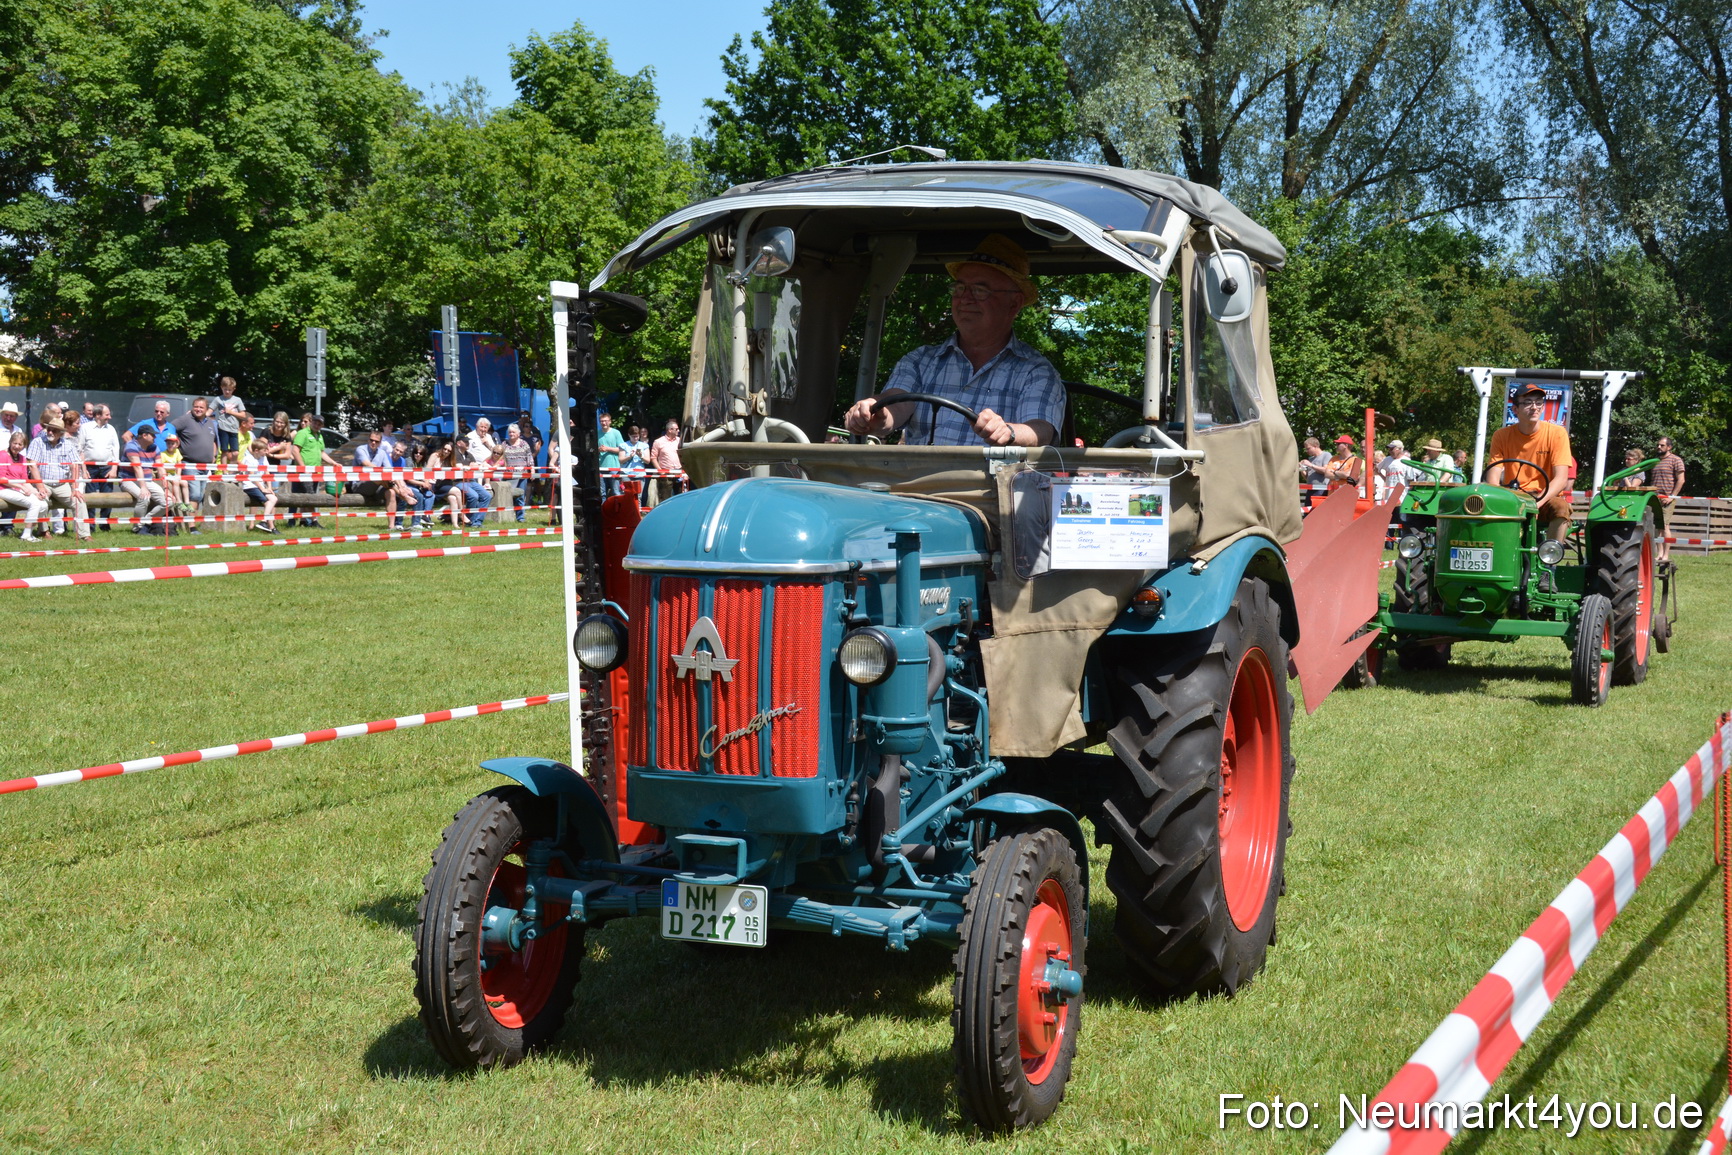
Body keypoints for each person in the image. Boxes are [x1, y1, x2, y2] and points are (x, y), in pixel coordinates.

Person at [845, 233, 1064, 446]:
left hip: (992, 483)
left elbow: (1041, 430)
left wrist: (1009, 431)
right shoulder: (920, 360)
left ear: (1014, 304)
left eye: (980, 290)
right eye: (960, 288)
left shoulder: (1036, 371)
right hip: (917, 482)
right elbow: (896, 405)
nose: (964, 298)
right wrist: (875, 411)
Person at [1486, 382, 1575, 542]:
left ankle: (1550, 558)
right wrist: (1503, 500)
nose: (1534, 407)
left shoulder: (1557, 433)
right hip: (1512, 496)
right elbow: (1493, 478)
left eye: (1538, 402)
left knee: (1561, 507)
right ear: (1515, 410)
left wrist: (1537, 503)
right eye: (1527, 402)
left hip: (1544, 497)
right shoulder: (1501, 436)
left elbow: (1561, 479)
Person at [25, 415, 91, 541]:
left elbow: (75, 466)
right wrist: (39, 486)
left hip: (62, 484)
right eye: (49, 429)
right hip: (43, 482)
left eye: (54, 430)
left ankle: (84, 534)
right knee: (41, 502)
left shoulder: (68, 444)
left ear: (61, 433)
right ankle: (43, 531)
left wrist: (75, 488)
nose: (50, 432)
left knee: (79, 502)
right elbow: (32, 466)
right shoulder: (37, 442)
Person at [354, 429, 416, 530]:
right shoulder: (360, 449)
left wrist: (401, 486)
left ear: (380, 443)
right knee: (380, 477)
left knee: (391, 492)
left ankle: (391, 527)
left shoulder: (382, 453)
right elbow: (367, 465)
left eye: (376, 441)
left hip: (379, 485)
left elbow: (390, 471)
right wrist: (402, 490)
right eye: (371, 440)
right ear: (368, 439)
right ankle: (403, 496)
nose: (373, 442)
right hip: (360, 485)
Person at [290, 412, 338, 528]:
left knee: (305, 496)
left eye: (319, 424)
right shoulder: (302, 433)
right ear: (311, 422)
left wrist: (333, 463)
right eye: (315, 422)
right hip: (305, 472)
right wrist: (303, 467)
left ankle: (303, 520)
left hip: (316, 472)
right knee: (311, 496)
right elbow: (295, 450)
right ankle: (314, 521)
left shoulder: (319, 436)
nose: (317, 425)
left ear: (322, 425)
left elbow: (321, 453)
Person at [0, 430, 47, 539]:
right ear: (10, 443)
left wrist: (36, 492)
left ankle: (30, 528)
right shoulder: (2, 455)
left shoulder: (22, 458)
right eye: (14, 443)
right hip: (3, 488)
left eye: (20, 444)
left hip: (17, 489)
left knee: (43, 504)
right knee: (35, 504)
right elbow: (2, 479)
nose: (16, 446)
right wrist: (20, 487)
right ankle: (26, 534)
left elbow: (25, 480)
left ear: (24, 446)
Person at [121, 425, 168, 534]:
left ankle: (145, 522)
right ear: (144, 435)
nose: (155, 438)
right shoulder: (131, 446)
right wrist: (143, 487)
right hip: (129, 480)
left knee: (168, 502)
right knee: (144, 498)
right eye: (152, 435)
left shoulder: (154, 447)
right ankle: (137, 528)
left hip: (147, 480)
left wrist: (166, 488)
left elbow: (160, 467)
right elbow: (137, 467)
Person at [1649, 435, 1685, 564]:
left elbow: (1681, 480)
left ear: (1669, 447)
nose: (1659, 447)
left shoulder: (1676, 460)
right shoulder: (1655, 461)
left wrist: (1671, 496)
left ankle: (1665, 555)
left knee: (1665, 526)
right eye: (1658, 445)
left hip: (1667, 498)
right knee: (1656, 526)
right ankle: (1659, 554)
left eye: (1662, 445)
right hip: (1655, 498)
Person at [238, 436, 282, 534]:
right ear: (256, 451)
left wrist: (269, 488)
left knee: (273, 499)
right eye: (264, 450)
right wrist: (262, 488)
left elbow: (267, 473)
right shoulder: (248, 459)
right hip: (250, 486)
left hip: (260, 486)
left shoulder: (263, 458)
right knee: (268, 503)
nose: (266, 452)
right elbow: (252, 476)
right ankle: (270, 526)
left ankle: (265, 523)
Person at [78, 404, 121, 503]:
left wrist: (114, 469)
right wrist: (84, 470)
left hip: (107, 467)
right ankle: (90, 518)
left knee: (108, 497)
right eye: (107, 415)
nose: (109, 417)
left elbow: (115, 449)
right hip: (90, 467)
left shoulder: (111, 429)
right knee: (89, 497)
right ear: (97, 415)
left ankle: (105, 518)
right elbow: (81, 449)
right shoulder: (85, 428)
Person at [498, 423, 536, 522]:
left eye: (513, 432)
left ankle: (520, 517)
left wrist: (532, 470)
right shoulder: (504, 444)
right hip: (509, 475)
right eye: (510, 432)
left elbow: (530, 458)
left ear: (518, 434)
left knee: (520, 495)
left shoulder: (524, 444)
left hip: (522, 474)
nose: (511, 434)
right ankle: (507, 516)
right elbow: (499, 457)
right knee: (509, 495)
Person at [211, 375, 245, 465]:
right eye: (225, 389)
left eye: (229, 390)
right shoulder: (218, 399)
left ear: (233, 389)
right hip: (223, 427)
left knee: (235, 452)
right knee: (224, 451)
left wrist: (231, 412)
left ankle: (232, 471)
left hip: (233, 428)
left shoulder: (237, 400)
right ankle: (224, 470)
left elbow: (243, 415)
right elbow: (209, 411)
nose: (227, 391)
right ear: (221, 387)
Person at [649, 419, 684, 507]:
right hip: (665, 473)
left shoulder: (679, 441)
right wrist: (660, 471)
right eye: (676, 429)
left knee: (681, 497)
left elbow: (684, 456)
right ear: (669, 430)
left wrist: (684, 471)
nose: (678, 431)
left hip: (679, 472)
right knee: (665, 498)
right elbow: (653, 458)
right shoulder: (658, 442)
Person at [597, 411, 626, 496]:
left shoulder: (616, 433)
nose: (604, 423)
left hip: (614, 467)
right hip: (601, 467)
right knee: (602, 493)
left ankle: (618, 509)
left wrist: (607, 448)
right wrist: (598, 450)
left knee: (616, 491)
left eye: (605, 421)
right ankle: (603, 509)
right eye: (601, 421)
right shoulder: (597, 433)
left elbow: (622, 449)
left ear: (610, 421)